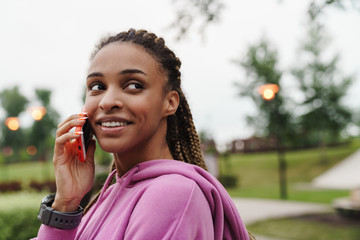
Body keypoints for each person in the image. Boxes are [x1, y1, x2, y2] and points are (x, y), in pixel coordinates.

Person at [32, 28, 251, 240]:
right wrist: (65, 204)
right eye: (97, 86)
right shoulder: (111, 192)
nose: (107, 102)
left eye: (134, 85)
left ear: (170, 102)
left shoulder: (172, 194)